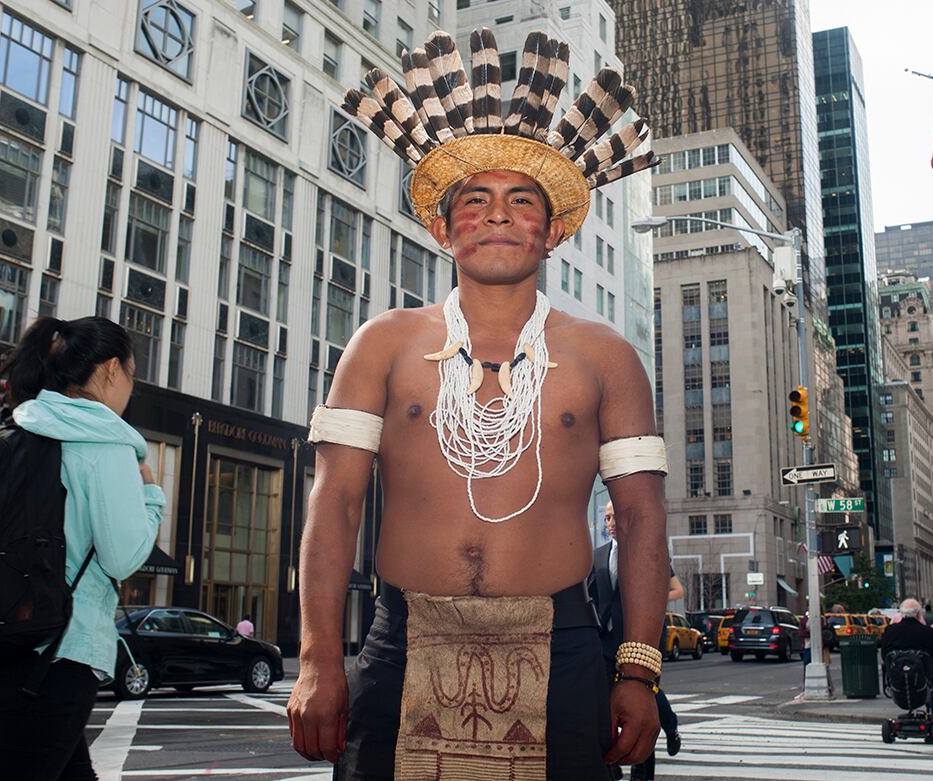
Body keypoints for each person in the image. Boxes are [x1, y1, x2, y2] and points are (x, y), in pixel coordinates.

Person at [285, 29, 666, 781]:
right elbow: (334, 507)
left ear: (553, 230)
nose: (497, 215)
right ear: (440, 226)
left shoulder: (605, 356)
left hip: (563, 647)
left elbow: (644, 518)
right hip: (400, 643)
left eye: (521, 201)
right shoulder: (382, 343)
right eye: (477, 201)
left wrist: (639, 670)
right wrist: (318, 659)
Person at [0, 316, 165, 781]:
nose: (131, 386)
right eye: (133, 373)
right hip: (54, 661)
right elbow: (123, 556)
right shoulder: (105, 445)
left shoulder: (24, 429)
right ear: (112, 369)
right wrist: (152, 495)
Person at [590, 501, 682, 781]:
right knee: (605, 704)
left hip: (641, 641)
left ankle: (649, 764)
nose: (610, 523)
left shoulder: (649, 554)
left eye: (614, 516)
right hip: (606, 643)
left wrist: (647, 599)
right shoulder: (596, 555)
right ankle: (611, 765)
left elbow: (678, 590)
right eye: (606, 518)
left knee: (645, 701)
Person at [881, 600, 933, 714]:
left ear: (901, 613)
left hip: (897, 680)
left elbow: (884, 654)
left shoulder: (890, 631)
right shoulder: (927, 632)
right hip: (924, 680)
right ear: (918, 614)